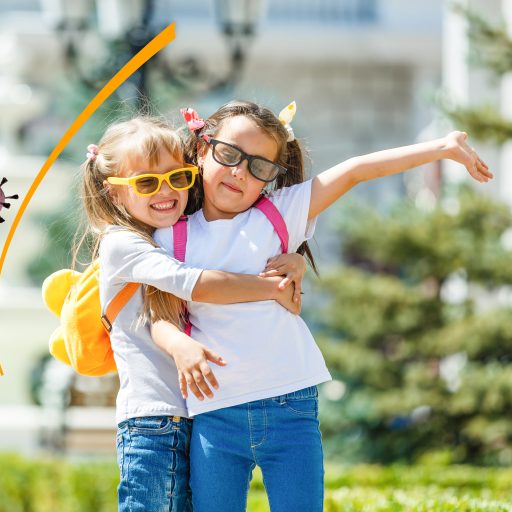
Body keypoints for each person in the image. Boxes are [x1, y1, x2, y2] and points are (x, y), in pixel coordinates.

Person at [149, 100, 492, 512]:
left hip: (289, 405)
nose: (240, 171)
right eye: (229, 154)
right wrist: (178, 346)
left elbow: (355, 170)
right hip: (213, 414)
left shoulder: (281, 212)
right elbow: (155, 316)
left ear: (270, 179)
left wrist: (442, 147)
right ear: (202, 149)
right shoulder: (171, 238)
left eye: (259, 166)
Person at [78, 115, 309, 511]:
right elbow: (195, 285)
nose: (165, 191)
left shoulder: (168, 237)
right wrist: (272, 289)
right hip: (153, 420)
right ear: (114, 193)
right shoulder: (123, 244)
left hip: (192, 415)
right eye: (146, 183)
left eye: (177, 178)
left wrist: (294, 264)